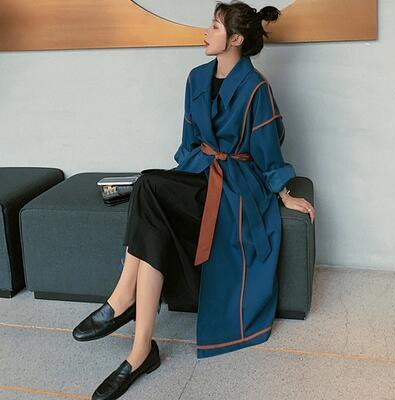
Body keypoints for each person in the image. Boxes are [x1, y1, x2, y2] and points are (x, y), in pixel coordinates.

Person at [72, 1, 315, 399]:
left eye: (215, 27)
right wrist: (178, 182)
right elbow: (188, 142)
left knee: (148, 187)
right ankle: (140, 351)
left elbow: (268, 151)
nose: (205, 32)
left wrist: (284, 193)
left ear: (235, 39)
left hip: (236, 186)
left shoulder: (256, 88)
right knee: (153, 196)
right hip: (199, 172)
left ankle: (121, 300)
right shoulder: (196, 78)